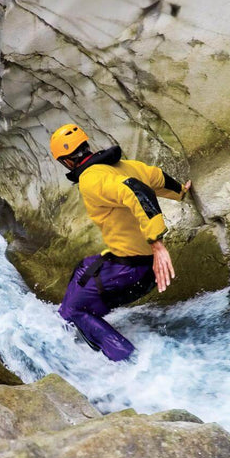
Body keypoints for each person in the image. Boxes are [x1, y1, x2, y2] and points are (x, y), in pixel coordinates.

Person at [51, 123, 191, 361]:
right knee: (83, 269)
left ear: (67, 161)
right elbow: (156, 177)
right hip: (134, 266)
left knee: (71, 309)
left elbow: (136, 190)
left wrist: (157, 243)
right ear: (85, 147)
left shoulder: (90, 180)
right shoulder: (121, 166)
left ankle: (126, 360)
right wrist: (180, 191)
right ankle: (84, 335)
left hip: (133, 270)